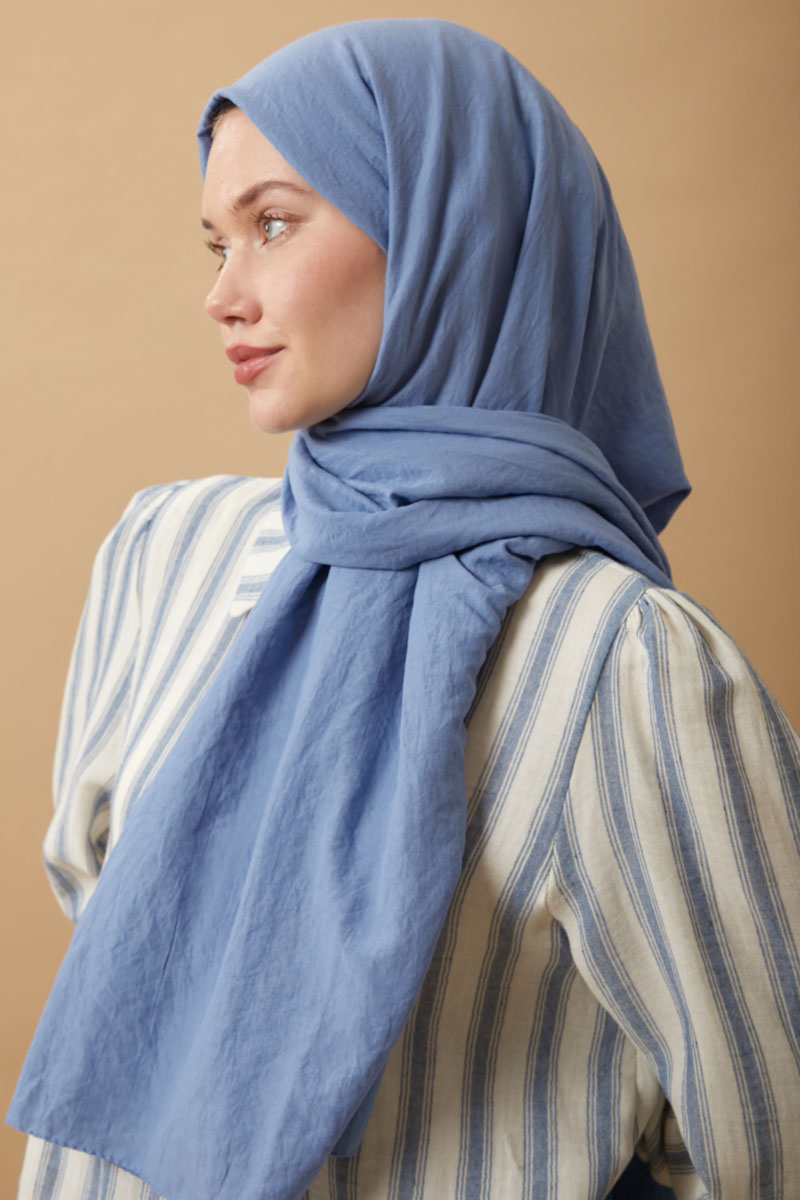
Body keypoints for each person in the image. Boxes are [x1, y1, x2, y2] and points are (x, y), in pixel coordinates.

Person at [7, 18, 800, 1200]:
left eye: (274, 225)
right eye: (215, 242)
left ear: (451, 235)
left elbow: (766, 1129)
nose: (223, 294)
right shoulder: (165, 556)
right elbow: (121, 939)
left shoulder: (622, 662)